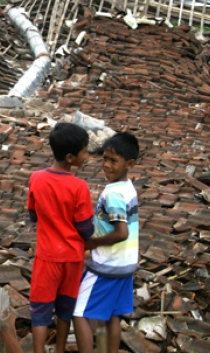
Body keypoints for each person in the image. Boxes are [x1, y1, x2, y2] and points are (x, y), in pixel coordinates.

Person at [27, 122, 96, 353]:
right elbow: (85, 227)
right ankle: (59, 349)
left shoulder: (36, 178)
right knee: (66, 308)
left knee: (40, 310)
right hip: (72, 259)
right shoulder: (79, 187)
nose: (86, 157)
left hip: (47, 257)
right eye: (84, 152)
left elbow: (33, 214)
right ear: (69, 157)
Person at [73, 132, 140, 353]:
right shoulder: (128, 187)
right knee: (113, 315)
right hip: (126, 264)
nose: (106, 165)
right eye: (104, 159)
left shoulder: (114, 195)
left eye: (113, 161)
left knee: (79, 312)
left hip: (107, 266)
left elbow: (121, 233)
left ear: (129, 163)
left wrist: (92, 243)